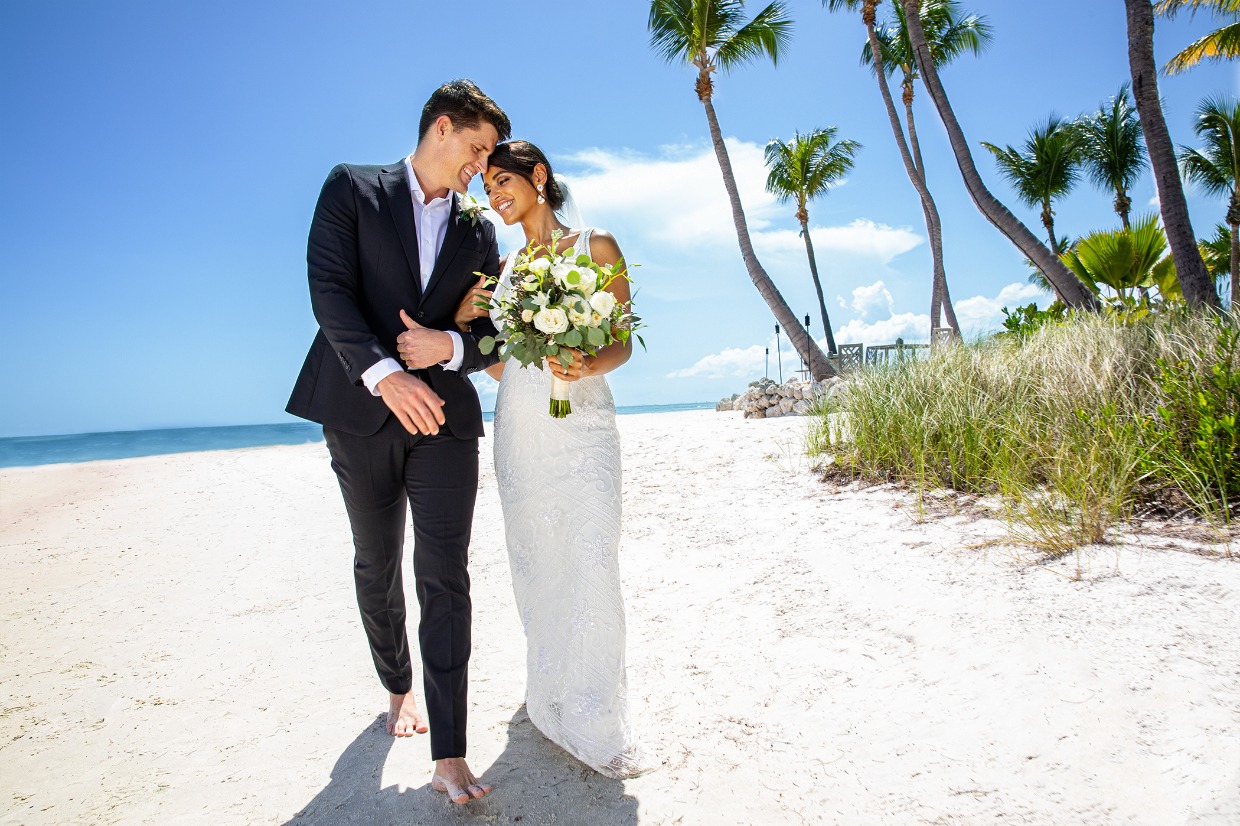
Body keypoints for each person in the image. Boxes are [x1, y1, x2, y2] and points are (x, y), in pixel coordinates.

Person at [285, 79, 509, 805]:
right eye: (476, 148)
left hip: (446, 421)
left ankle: (450, 753)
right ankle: (397, 685)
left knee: (446, 575)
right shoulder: (351, 188)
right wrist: (385, 374)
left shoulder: (480, 232)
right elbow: (328, 290)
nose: (481, 165)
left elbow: (488, 336)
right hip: (356, 411)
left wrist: (444, 346)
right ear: (441, 129)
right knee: (376, 562)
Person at [426, 140, 649, 778]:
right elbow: (506, 367)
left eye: (503, 180)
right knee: (538, 564)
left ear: (539, 176)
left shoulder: (596, 246)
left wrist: (585, 363)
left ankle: (597, 712)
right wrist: (470, 324)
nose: (494, 193)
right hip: (521, 431)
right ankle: (548, 692)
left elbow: (623, 342)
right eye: (487, 185)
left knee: (590, 559)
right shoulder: (502, 271)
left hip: (584, 429)